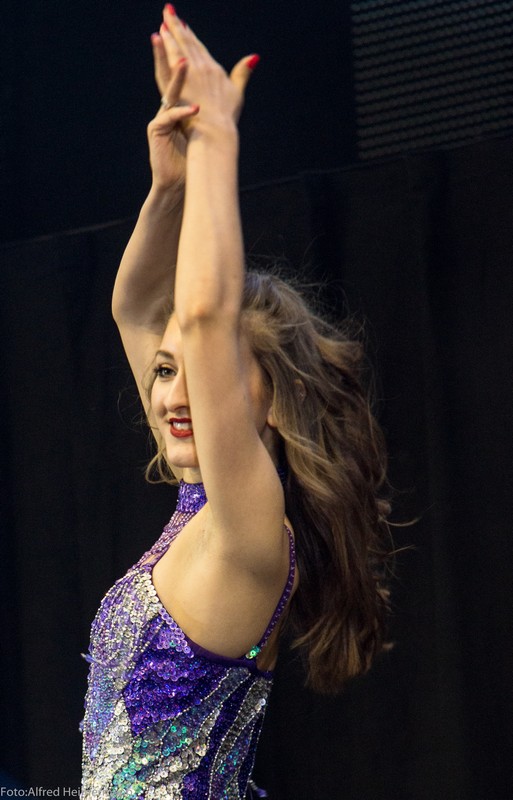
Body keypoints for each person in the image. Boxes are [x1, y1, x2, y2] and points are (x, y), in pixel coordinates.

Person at [80, 5, 392, 798]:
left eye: (208, 370)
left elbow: (203, 316)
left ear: (275, 402)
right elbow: (136, 310)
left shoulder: (250, 531)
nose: (175, 391)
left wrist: (217, 139)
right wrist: (168, 187)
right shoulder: (195, 512)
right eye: (163, 372)